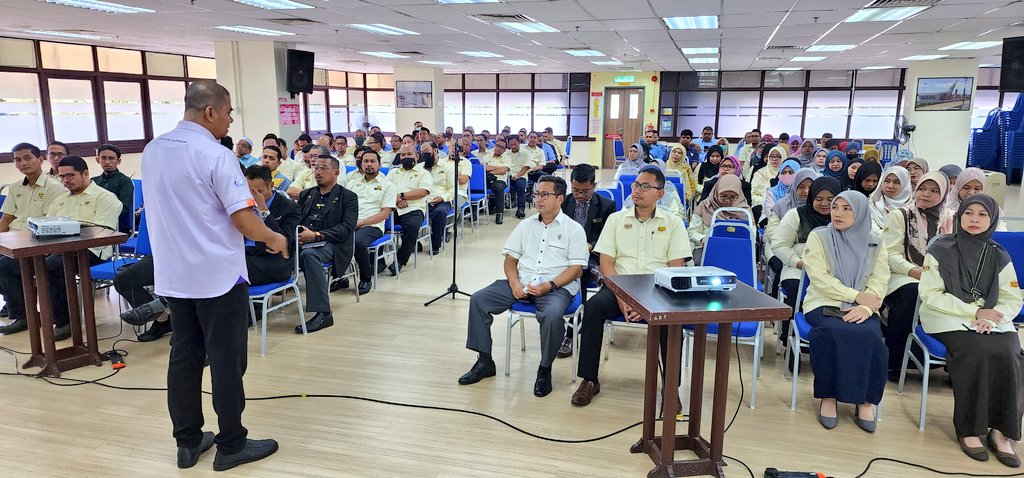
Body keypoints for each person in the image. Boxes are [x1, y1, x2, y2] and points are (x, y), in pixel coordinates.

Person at [141, 80, 285, 471]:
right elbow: (244, 220)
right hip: (217, 276)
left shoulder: (153, 150)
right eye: (228, 112)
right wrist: (273, 237)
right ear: (210, 112)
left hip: (175, 274)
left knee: (184, 357)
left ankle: (187, 442)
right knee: (226, 361)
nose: (230, 120)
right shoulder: (216, 155)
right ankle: (232, 444)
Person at [458, 175, 588, 397]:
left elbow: (576, 269)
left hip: (556, 287)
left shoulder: (574, 229)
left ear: (559, 198)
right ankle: (485, 361)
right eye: (536, 194)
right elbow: (510, 260)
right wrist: (515, 284)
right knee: (479, 299)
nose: (538, 199)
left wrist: (549, 285)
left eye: (544, 194)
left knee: (552, 315)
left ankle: (545, 368)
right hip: (522, 282)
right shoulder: (525, 225)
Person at [572, 167, 692, 406]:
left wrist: (647, 301)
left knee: (672, 321)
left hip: (658, 289)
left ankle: (670, 387)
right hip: (620, 285)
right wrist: (623, 297)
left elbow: (675, 268)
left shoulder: (673, 223)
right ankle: (589, 379)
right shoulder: (617, 219)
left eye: (645, 186)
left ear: (660, 194)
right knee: (593, 308)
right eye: (636, 185)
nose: (637, 190)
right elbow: (606, 263)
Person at [918, 195, 1024, 467]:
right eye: (968, 213)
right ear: (960, 216)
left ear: (992, 219)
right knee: (977, 350)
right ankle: (969, 429)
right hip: (947, 317)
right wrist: (974, 312)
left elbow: (1012, 298)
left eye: (982, 214)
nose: (974, 219)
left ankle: (1001, 431)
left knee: (1011, 352)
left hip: (991, 319)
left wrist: (994, 318)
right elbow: (930, 294)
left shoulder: (999, 254)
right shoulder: (940, 249)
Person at [0, 155, 121, 341]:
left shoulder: (106, 198)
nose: (66, 180)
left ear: (85, 173)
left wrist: (66, 231)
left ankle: (64, 322)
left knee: (52, 266)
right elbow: (47, 226)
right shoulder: (61, 200)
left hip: (91, 250)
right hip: (55, 248)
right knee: (7, 265)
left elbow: (101, 233)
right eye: (62, 177)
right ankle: (23, 316)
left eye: (70, 175)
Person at [800, 191, 889, 433]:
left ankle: (865, 400)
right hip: (823, 301)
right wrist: (855, 296)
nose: (838, 213)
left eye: (847, 208)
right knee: (832, 332)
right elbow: (820, 279)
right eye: (835, 207)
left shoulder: (876, 241)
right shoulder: (819, 237)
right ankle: (829, 396)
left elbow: (880, 279)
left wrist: (865, 306)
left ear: (860, 212)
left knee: (871, 335)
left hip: (864, 306)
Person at [0, 144, 78, 336]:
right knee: (5, 266)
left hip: (39, 244)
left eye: (27, 158)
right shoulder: (16, 188)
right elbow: (7, 219)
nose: (23, 163)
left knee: (5, 266)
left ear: (40, 159)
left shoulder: (55, 188)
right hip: (13, 242)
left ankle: (24, 315)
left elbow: (49, 225)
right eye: (18, 160)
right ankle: (21, 308)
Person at [881, 171, 952, 381]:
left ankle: (951, 363)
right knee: (913, 293)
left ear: (944, 194)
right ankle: (895, 361)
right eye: (922, 188)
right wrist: (914, 271)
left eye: (934, 191)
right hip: (902, 274)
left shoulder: (949, 220)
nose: (926, 194)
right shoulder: (901, 215)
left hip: (939, 276)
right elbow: (889, 254)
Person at [556, 164, 615, 358]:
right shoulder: (563, 203)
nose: (580, 195)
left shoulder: (607, 206)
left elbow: (610, 236)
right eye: (575, 190)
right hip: (564, 255)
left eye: (585, 191)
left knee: (578, 272)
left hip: (593, 253)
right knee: (578, 268)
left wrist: (591, 245)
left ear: (594, 186)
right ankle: (593, 271)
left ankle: (570, 334)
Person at [294, 156, 358, 331]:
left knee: (309, 255)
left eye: (323, 168)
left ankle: (324, 313)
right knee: (274, 248)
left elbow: (347, 228)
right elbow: (296, 219)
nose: (318, 172)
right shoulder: (306, 194)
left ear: (336, 172)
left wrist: (316, 235)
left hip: (331, 243)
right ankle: (259, 304)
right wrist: (297, 234)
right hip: (303, 239)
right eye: (315, 168)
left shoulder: (348, 197)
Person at [767, 171, 829, 311]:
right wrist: (798, 261)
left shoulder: (838, 216)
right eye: (801, 187)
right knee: (779, 266)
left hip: (827, 269)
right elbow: (776, 238)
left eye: (810, 187)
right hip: (795, 261)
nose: (806, 191)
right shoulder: (788, 209)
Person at [345, 150, 396, 295]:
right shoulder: (352, 184)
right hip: (350, 223)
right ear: (360, 164)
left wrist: (361, 223)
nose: (369, 164)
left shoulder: (388, 185)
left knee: (358, 241)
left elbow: (385, 213)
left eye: (372, 161)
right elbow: (344, 207)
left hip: (373, 225)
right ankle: (340, 277)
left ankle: (366, 278)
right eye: (365, 161)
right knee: (333, 237)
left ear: (379, 164)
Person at [243, 165, 300, 287]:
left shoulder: (289, 207)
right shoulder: (242, 204)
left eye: (259, 191)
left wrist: (264, 210)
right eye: (249, 191)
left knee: (233, 268)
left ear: (271, 185)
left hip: (272, 260)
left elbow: (285, 241)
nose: (253, 196)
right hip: (244, 253)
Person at [387, 145, 433, 273]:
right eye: (403, 155)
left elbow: (423, 192)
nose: (406, 157)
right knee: (377, 225)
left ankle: (399, 261)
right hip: (392, 207)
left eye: (409, 154)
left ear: (417, 156)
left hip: (413, 209)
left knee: (411, 228)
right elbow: (385, 190)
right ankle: (378, 262)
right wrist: (397, 200)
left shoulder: (424, 173)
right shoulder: (393, 172)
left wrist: (401, 196)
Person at [688, 174, 751, 263]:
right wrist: (702, 238)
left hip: (736, 249)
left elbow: (752, 234)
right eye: (723, 196)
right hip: (706, 247)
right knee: (700, 260)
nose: (727, 200)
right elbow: (692, 231)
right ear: (717, 192)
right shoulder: (705, 206)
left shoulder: (744, 211)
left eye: (732, 197)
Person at [420, 142, 455, 256]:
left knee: (439, 212)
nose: (424, 155)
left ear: (435, 151)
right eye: (422, 152)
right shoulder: (420, 167)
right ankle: (415, 242)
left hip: (441, 200)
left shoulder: (448, 166)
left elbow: (453, 189)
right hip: (422, 200)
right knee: (409, 213)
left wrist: (442, 198)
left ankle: (435, 244)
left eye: (427, 152)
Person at [92, 143, 135, 233]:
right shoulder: (93, 181)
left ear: (118, 161)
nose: (107, 162)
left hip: (117, 228)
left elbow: (123, 209)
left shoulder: (125, 181)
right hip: (94, 225)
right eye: (103, 158)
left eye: (111, 158)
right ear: (97, 160)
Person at [506, 136, 535, 219]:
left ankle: (520, 209)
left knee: (520, 186)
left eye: (515, 144)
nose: (513, 146)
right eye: (511, 145)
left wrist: (517, 176)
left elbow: (526, 167)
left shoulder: (526, 153)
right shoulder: (506, 154)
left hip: (520, 176)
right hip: (507, 176)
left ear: (519, 142)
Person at [751, 145, 788, 212]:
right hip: (760, 206)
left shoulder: (787, 174)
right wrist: (767, 201)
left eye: (778, 156)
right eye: (771, 156)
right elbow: (752, 194)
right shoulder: (759, 173)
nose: (774, 159)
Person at [484, 139, 512, 224]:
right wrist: (498, 168)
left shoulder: (507, 158)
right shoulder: (488, 156)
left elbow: (503, 171)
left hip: (499, 180)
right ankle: (473, 212)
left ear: (505, 150)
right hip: (486, 180)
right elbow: (484, 168)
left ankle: (499, 214)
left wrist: (490, 170)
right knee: (475, 186)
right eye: (497, 146)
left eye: (502, 147)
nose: (499, 148)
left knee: (499, 188)